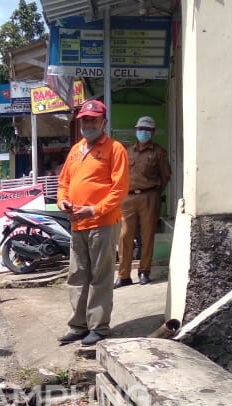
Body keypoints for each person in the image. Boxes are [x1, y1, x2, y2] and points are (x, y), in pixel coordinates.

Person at [56, 99, 129, 347]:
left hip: (103, 223)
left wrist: (94, 210)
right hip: (78, 224)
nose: (88, 124)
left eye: (93, 120)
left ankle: (99, 327)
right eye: (84, 120)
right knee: (77, 276)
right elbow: (63, 183)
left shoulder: (115, 149)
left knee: (101, 276)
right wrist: (63, 201)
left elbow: (119, 189)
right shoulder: (76, 150)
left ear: (103, 122)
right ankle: (78, 325)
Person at [116, 116, 170, 288]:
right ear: (136, 130)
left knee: (147, 236)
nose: (143, 132)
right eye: (140, 129)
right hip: (128, 198)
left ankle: (144, 272)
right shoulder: (128, 151)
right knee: (125, 236)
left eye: (146, 130)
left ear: (152, 132)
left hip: (149, 196)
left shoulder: (158, 152)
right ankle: (124, 275)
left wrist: (154, 193)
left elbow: (165, 176)